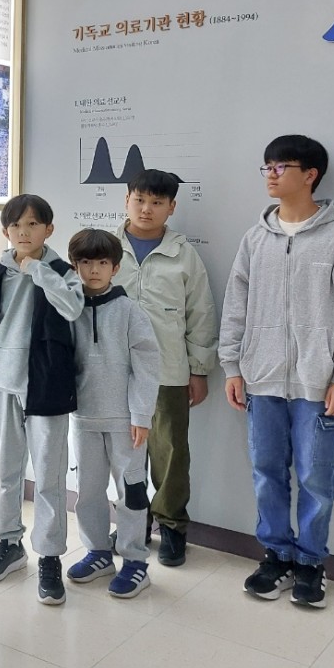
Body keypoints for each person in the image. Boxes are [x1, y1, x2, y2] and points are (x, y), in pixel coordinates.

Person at [220, 135, 334, 608]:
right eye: (266, 166)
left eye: (280, 166)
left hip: (318, 384)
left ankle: (310, 563)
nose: (270, 174)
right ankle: (277, 556)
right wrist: (232, 366)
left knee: (315, 478)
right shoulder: (255, 238)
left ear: (310, 175)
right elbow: (235, 306)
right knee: (266, 472)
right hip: (261, 379)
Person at [0, 193, 84, 605]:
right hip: (3, 383)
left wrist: (39, 271)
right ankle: (8, 542)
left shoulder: (63, 272)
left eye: (33, 224)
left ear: (49, 229)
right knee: (7, 470)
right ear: (5, 231)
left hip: (47, 385)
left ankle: (49, 556)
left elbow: (72, 309)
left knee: (48, 477)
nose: (23, 232)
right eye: (16, 225)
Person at [114, 169, 218, 566]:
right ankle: (133, 522)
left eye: (157, 202)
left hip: (168, 371)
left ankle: (172, 525)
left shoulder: (183, 254)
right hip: (114, 372)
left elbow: (200, 313)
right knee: (123, 452)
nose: (146, 209)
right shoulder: (106, 248)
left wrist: (199, 369)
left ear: (171, 207)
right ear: (126, 200)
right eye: (139, 200)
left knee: (170, 452)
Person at [65, 230, 160, 597]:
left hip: (126, 422)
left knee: (131, 491)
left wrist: (141, 416)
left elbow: (147, 367)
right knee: (87, 491)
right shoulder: (68, 310)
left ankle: (135, 560)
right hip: (83, 419)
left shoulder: (130, 312)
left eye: (102, 262)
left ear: (115, 268)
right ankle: (98, 552)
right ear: (75, 266)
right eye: (86, 262)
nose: (94, 270)